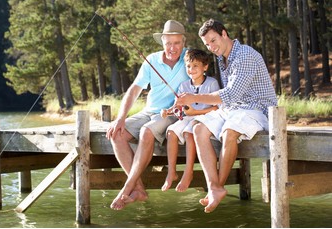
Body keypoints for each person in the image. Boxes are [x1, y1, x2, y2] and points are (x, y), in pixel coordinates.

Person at [175, 19, 277, 213]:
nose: (211, 47)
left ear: (224, 33)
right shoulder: (223, 58)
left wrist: (193, 97)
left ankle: (217, 187)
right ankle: (214, 186)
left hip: (258, 108)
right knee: (198, 128)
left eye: (213, 40)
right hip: (235, 108)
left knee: (229, 132)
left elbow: (230, 94)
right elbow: (229, 100)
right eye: (207, 44)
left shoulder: (244, 54)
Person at [106, 20, 189, 210]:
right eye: (168, 43)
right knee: (116, 134)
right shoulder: (152, 60)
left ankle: (127, 188)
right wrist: (120, 118)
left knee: (146, 131)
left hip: (174, 114)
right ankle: (139, 189)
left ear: (183, 43)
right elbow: (134, 89)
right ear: (162, 42)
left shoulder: (189, 58)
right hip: (149, 111)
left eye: (177, 43)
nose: (172, 48)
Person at [160, 49, 219, 192]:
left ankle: (188, 173)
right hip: (189, 117)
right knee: (171, 132)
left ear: (205, 67)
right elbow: (178, 107)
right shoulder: (184, 86)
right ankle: (171, 172)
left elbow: (217, 108)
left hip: (206, 117)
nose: (191, 70)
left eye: (195, 66)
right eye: (188, 66)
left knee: (189, 132)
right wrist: (168, 111)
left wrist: (196, 112)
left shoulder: (212, 83)